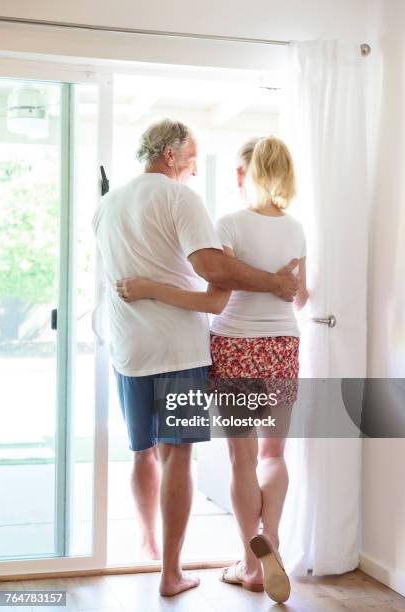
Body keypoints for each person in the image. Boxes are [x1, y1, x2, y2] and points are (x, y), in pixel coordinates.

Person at [93, 120, 300, 597]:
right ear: (169, 155)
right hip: (180, 350)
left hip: (129, 349)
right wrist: (273, 283)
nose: (191, 170)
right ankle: (172, 571)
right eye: (190, 160)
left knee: (143, 452)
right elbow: (212, 271)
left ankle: (146, 546)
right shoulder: (179, 198)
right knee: (181, 456)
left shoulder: (107, 204)